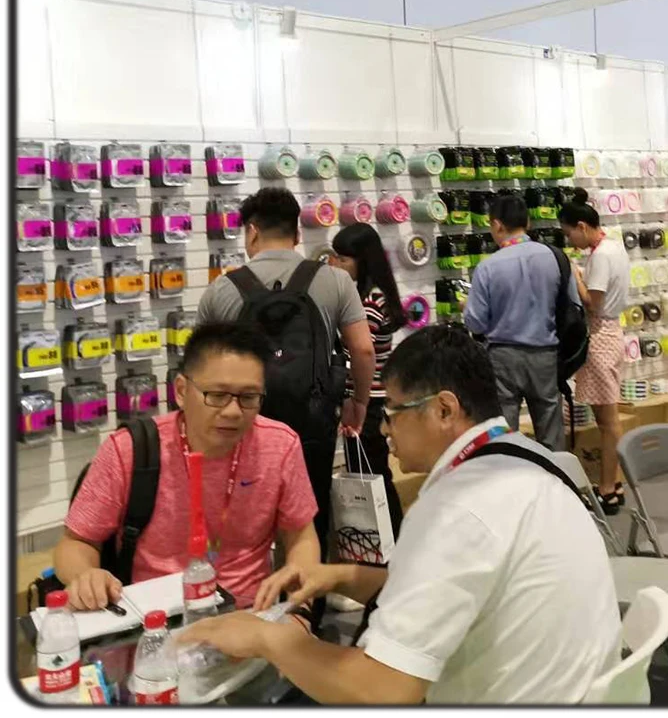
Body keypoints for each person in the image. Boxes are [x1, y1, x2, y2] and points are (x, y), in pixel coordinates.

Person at [179, 325, 621, 704]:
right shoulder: (528, 458)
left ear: (444, 409)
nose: (384, 428)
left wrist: (267, 638)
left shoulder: (456, 509)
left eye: (392, 412)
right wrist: (343, 576)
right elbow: (457, 582)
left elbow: (385, 688)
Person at [54, 322, 321, 612]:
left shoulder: (280, 446)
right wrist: (85, 576)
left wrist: (300, 612)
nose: (233, 411)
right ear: (181, 391)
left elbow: (301, 537)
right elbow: (76, 543)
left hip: (248, 617)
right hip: (153, 619)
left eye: (248, 397)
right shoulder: (130, 450)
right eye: (217, 395)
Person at [197, 187, 376, 565]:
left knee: (247, 520)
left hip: (244, 425)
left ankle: (253, 590)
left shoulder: (221, 290)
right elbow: (362, 350)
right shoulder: (335, 281)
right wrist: (358, 402)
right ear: (296, 233)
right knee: (310, 515)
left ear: (251, 231)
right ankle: (308, 595)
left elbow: (202, 369)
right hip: (313, 421)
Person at [462, 194, 580, 452]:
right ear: (527, 222)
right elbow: (574, 304)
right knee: (551, 428)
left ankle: (511, 473)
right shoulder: (555, 257)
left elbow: (476, 324)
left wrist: (466, 308)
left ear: (497, 225)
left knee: (504, 432)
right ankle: (556, 474)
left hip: (503, 357)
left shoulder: (488, 267)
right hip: (546, 354)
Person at [325, 223, 406, 538]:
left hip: (367, 401)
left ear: (363, 261)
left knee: (371, 476)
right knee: (371, 473)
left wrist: (353, 399)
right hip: (369, 398)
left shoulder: (370, 302)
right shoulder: (369, 295)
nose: (334, 264)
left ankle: (387, 541)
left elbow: (361, 353)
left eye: (343, 259)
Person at [559, 189, 629, 515]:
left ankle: (607, 490)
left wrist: (575, 276)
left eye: (569, 233)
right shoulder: (615, 246)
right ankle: (615, 483)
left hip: (601, 336)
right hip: (611, 333)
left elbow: (593, 303)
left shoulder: (600, 256)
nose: (570, 240)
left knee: (607, 421)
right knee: (607, 419)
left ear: (582, 226)